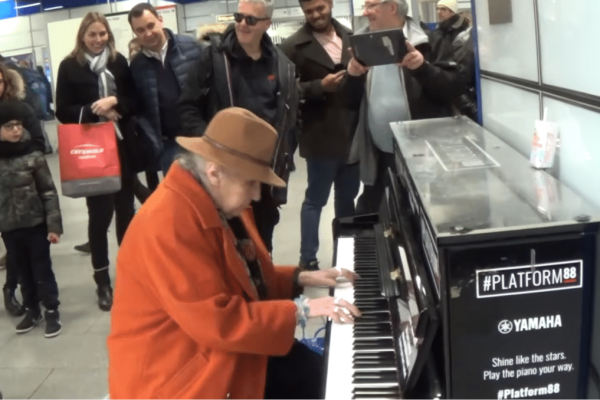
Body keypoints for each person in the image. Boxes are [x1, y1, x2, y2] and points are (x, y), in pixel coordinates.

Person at [108, 107, 361, 400]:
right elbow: (218, 322)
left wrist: (302, 277)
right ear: (214, 172)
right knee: (321, 383)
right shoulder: (166, 223)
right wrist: (304, 310)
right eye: (251, 182)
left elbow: (244, 275)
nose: (256, 195)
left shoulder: (213, 197)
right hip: (177, 374)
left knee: (324, 376)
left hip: (216, 348)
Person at [179, 0, 300, 254]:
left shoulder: (282, 65)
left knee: (261, 244)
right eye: (239, 17)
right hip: (223, 173)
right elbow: (187, 107)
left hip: (262, 173)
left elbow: (291, 116)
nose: (242, 24)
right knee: (224, 247)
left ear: (267, 24)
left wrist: (283, 153)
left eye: (251, 20)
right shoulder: (213, 58)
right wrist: (211, 149)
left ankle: (262, 291)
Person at [345, 0, 465, 214]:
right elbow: (348, 102)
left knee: (422, 217)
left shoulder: (430, 41)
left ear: (391, 7)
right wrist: (352, 77)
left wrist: (422, 68)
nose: (364, 12)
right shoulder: (359, 45)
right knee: (377, 215)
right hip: (379, 155)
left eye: (371, 5)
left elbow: (452, 88)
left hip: (425, 157)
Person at [55, 12, 137, 312]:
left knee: (126, 215)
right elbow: (62, 110)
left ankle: (131, 276)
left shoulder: (118, 62)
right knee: (99, 218)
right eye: (92, 34)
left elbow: (133, 99)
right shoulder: (69, 66)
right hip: (92, 151)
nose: (98, 39)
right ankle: (102, 282)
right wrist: (95, 111)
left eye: (102, 34)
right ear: (82, 36)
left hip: (121, 147)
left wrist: (116, 101)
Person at [281, 0, 360, 271]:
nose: (315, 15)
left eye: (320, 8)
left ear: (330, 4)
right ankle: (308, 259)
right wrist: (319, 86)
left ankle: (347, 251)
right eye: (309, 11)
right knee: (315, 200)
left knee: (347, 199)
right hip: (320, 134)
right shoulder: (292, 46)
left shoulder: (351, 37)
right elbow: (286, 90)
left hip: (353, 133)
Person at [0, 100, 63, 338]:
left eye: (18, 125)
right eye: (8, 126)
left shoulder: (33, 156)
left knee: (42, 269)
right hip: (9, 227)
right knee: (23, 272)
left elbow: (48, 192)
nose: (16, 130)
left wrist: (54, 226)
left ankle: (52, 310)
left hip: (36, 225)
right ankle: (32, 309)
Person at [128, 3, 203, 176]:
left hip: (199, 139)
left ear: (160, 21)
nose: (147, 34)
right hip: (168, 146)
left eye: (150, 25)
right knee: (177, 196)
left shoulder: (192, 48)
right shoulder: (137, 65)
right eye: (140, 30)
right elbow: (138, 106)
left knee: (208, 196)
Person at [0, 61, 49, 317]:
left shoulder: (21, 110)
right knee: (13, 243)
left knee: (25, 248)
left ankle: (21, 289)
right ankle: (13, 289)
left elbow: (39, 143)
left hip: (26, 188)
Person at [433, 0, 477, 121]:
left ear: (452, 12)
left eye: (443, 9)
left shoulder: (461, 34)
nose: (439, 12)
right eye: (438, 9)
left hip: (456, 85)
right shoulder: (439, 31)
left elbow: (462, 75)